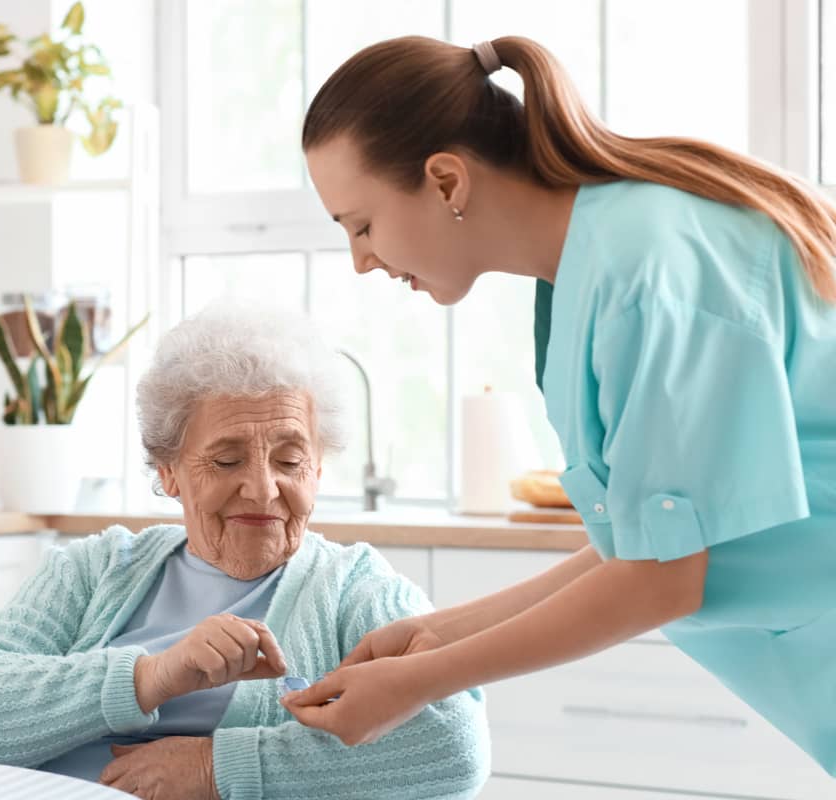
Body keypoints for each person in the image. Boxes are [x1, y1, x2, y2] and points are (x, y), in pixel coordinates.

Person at [282, 34, 836, 778]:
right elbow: (642, 545)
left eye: (361, 225)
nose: (361, 260)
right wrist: (435, 636)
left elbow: (661, 579)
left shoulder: (647, 273)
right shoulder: (595, 269)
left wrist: (416, 683)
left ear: (447, 181)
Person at [0, 304, 490, 800]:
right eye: (227, 461)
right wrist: (152, 676)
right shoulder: (96, 567)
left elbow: (453, 745)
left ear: (318, 469)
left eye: (291, 462)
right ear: (168, 471)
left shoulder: (355, 587)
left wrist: (218, 767)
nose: (264, 489)